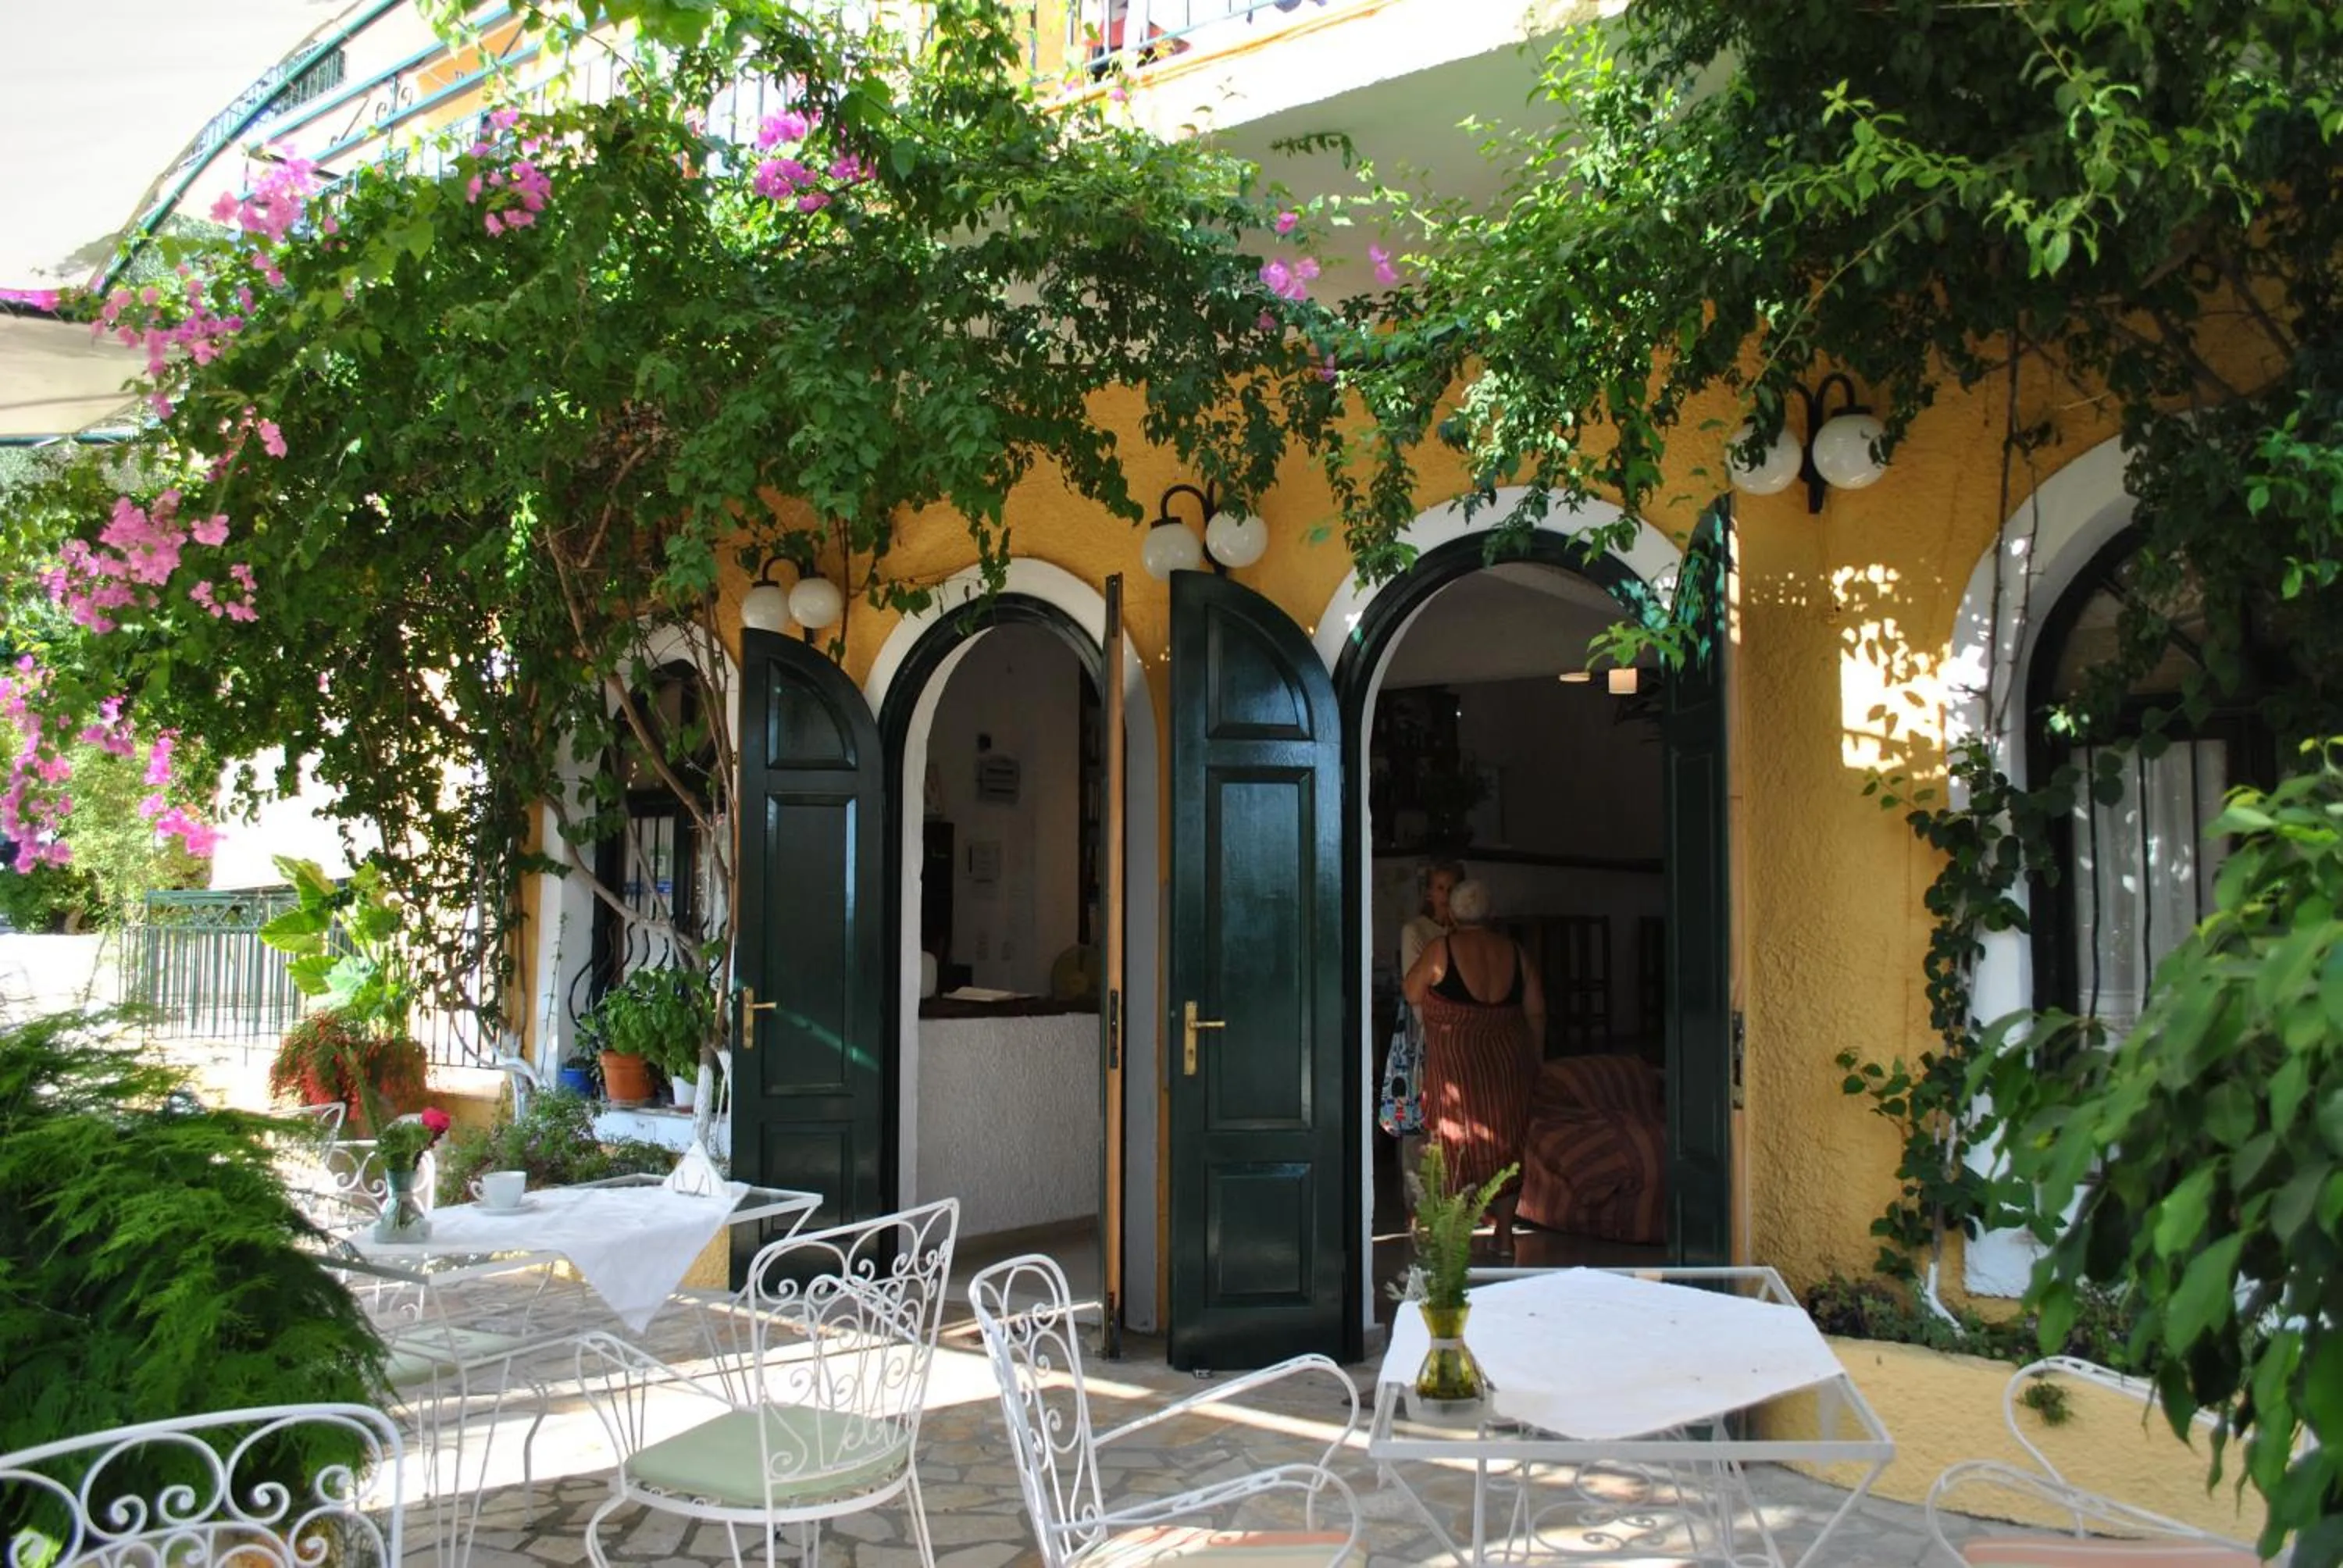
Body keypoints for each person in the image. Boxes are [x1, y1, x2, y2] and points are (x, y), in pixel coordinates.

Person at [1402, 877, 1546, 1257]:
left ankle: (1454, 1235)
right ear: (1492, 915)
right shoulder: (1515, 953)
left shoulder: (1440, 950)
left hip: (1457, 1071)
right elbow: (1536, 1011)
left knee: (1453, 1146)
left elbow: (1411, 991)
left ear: (1451, 913)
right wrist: (1536, 1060)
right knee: (1507, 1148)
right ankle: (1504, 1236)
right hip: (1508, 1065)